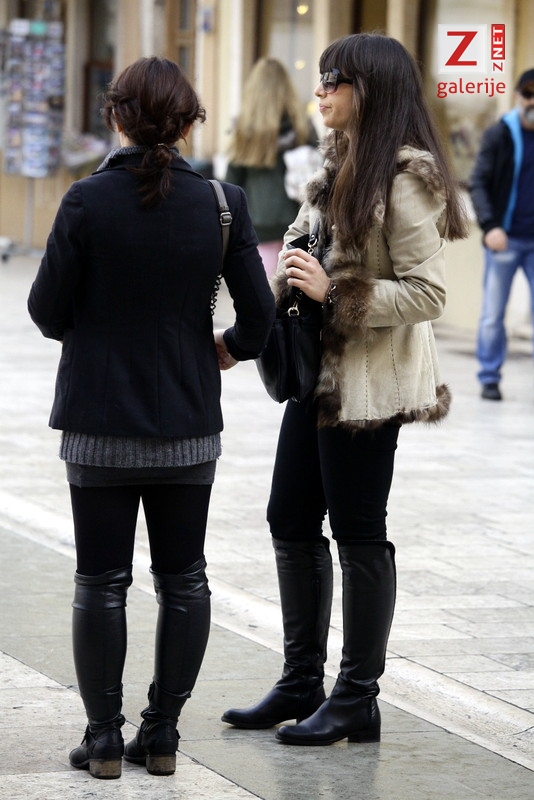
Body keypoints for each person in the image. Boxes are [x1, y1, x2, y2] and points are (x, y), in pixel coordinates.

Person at [27, 57, 274, 779]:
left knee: (101, 582)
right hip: (187, 424)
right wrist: (226, 349)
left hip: (98, 424)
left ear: (116, 116)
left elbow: (45, 310)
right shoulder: (222, 204)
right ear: (189, 124)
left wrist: (93, 329)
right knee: (184, 579)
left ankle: (103, 738)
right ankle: (161, 735)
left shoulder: (85, 201)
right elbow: (260, 319)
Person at [221, 33, 468, 746]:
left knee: (358, 530)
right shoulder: (338, 165)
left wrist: (337, 292)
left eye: (334, 79)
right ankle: (302, 680)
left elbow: (429, 293)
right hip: (315, 378)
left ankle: (357, 696)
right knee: (289, 517)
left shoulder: (405, 176)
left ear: (370, 89)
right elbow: (301, 260)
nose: (320, 90)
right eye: (322, 77)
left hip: (366, 387)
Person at [470, 69, 534, 401]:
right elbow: (478, 182)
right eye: (528, 94)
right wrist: (490, 225)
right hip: (504, 238)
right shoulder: (499, 134)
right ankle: (489, 377)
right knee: (493, 315)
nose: (533, 102)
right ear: (517, 96)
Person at [225, 57, 317, 277]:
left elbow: (232, 183)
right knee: (291, 291)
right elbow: (319, 171)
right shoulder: (302, 127)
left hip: (257, 226)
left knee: (265, 291)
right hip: (298, 224)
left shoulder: (246, 130)